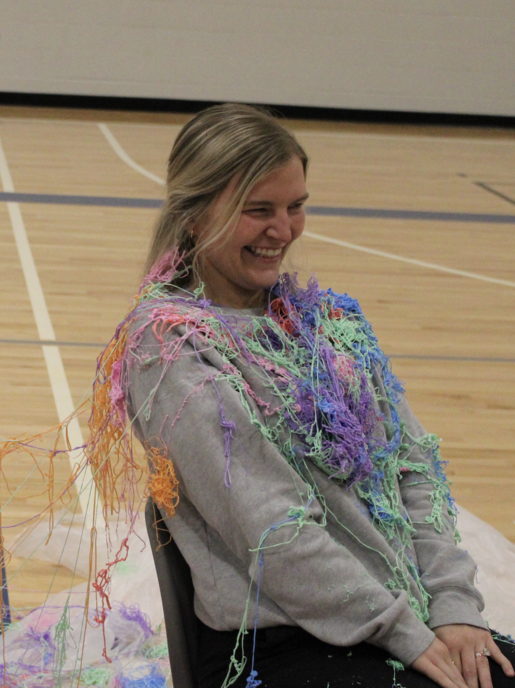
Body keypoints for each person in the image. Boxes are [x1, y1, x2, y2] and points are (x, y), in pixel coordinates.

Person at [90, 104, 515, 688]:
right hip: (276, 644)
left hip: (395, 617)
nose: (284, 231)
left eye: (296, 207)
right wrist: (408, 635)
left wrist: (454, 608)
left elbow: (415, 469)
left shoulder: (330, 321)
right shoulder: (168, 347)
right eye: (258, 211)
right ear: (194, 216)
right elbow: (273, 530)